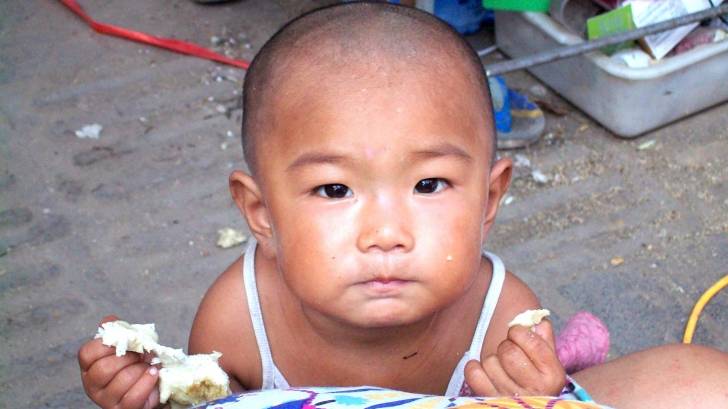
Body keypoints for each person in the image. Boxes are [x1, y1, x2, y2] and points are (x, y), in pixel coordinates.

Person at [77, 3, 728, 409]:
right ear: (261, 211)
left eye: (430, 184)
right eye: (335, 189)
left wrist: (537, 394)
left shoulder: (502, 314)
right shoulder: (238, 317)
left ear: (490, 197)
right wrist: (149, 394)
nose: (386, 232)